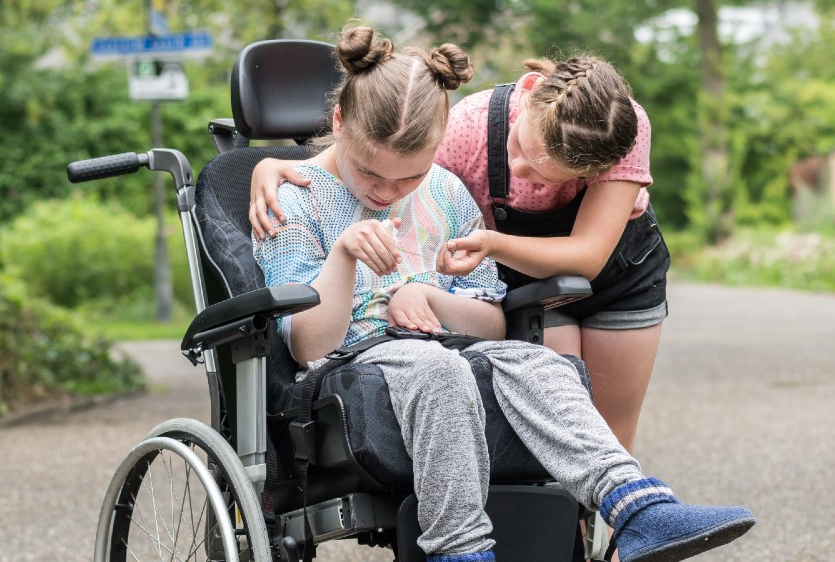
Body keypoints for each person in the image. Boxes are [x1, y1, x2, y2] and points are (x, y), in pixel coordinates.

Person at [253, 24, 753, 562]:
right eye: (370, 171)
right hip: (356, 360)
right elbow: (307, 346)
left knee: (537, 364)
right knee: (438, 371)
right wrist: (344, 255)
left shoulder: (444, 190)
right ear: (337, 123)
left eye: (408, 178)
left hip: (449, 343)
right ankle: (460, 550)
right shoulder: (294, 201)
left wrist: (435, 302)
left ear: (436, 147)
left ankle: (638, 510)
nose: (385, 192)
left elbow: (491, 324)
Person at [250, 46, 667, 452]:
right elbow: (382, 153)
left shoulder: (618, 125)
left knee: (606, 429)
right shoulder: (466, 129)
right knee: (550, 429)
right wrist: (269, 166)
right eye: (520, 151)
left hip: (614, 271)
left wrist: (484, 249)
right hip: (517, 284)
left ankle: (634, 511)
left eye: (546, 176)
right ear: (528, 93)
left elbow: (587, 258)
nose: (520, 171)